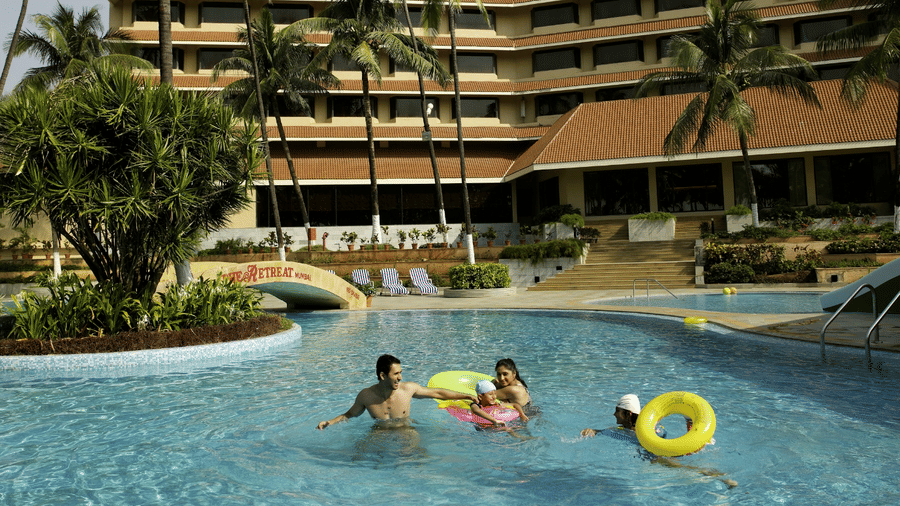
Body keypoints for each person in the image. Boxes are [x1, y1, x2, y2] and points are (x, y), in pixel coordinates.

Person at [581, 394, 737, 489]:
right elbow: (602, 431)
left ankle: (718, 476)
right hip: (662, 450)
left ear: (628, 414)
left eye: (617, 411)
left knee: (683, 467)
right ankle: (719, 476)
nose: (614, 414)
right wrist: (593, 431)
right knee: (680, 464)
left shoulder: (636, 431)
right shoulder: (651, 428)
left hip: (655, 456)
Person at [316, 354, 475, 430]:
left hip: (405, 430)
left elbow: (438, 393)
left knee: (417, 458)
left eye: (400, 373)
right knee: (359, 457)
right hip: (380, 433)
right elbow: (349, 415)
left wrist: (466, 395)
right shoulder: (366, 396)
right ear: (383, 376)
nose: (400, 377)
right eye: (396, 374)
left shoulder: (408, 389)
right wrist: (329, 422)